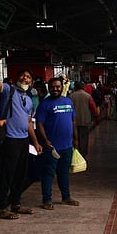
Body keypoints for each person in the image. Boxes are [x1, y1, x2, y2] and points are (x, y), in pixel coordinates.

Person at [0, 51, 42, 219]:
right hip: (9, 140)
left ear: (31, 82)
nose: (25, 78)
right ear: (17, 78)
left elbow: (28, 123)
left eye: (28, 77)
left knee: (20, 175)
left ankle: (16, 204)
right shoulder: (8, 90)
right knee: (6, 174)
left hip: (23, 141)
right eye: (23, 75)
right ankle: (1, 207)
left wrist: (35, 142)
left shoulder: (27, 99)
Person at [35, 77, 79, 210]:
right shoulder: (44, 104)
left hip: (67, 146)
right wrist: (45, 140)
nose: (55, 89)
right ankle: (46, 200)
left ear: (62, 87)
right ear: (49, 88)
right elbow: (39, 123)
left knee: (64, 173)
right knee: (48, 173)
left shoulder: (68, 101)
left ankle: (66, 197)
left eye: (58, 86)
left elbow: (73, 121)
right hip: (52, 147)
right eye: (52, 87)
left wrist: (76, 138)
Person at [69, 81, 97, 158]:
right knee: (84, 139)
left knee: (74, 138)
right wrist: (95, 117)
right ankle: (83, 155)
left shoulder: (71, 96)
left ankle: (75, 153)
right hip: (85, 121)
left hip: (73, 121)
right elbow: (94, 108)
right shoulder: (88, 96)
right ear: (83, 87)